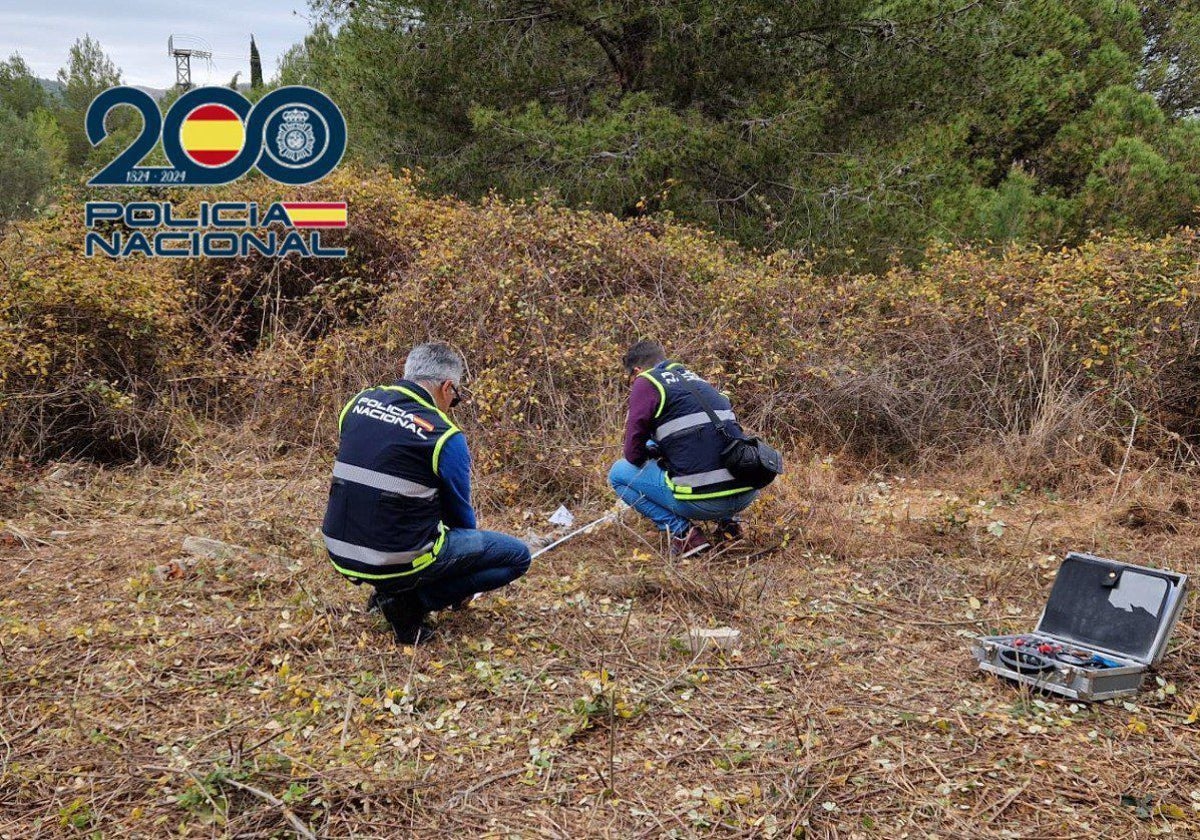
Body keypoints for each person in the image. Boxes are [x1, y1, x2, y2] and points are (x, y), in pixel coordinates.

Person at [321, 342, 531, 643]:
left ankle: (389, 591)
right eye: (455, 398)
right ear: (447, 387)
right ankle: (410, 602)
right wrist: (463, 581)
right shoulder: (443, 435)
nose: (452, 406)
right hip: (394, 556)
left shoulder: (358, 403)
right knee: (517, 556)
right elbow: (459, 517)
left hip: (340, 549)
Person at [608, 340, 760, 557]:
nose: (632, 383)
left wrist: (654, 453)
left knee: (618, 474)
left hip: (702, 503)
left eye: (630, 378)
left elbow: (632, 454)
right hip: (745, 494)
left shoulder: (646, 382)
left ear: (637, 371)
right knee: (708, 447)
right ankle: (730, 526)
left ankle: (684, 535)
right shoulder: (695, 380)